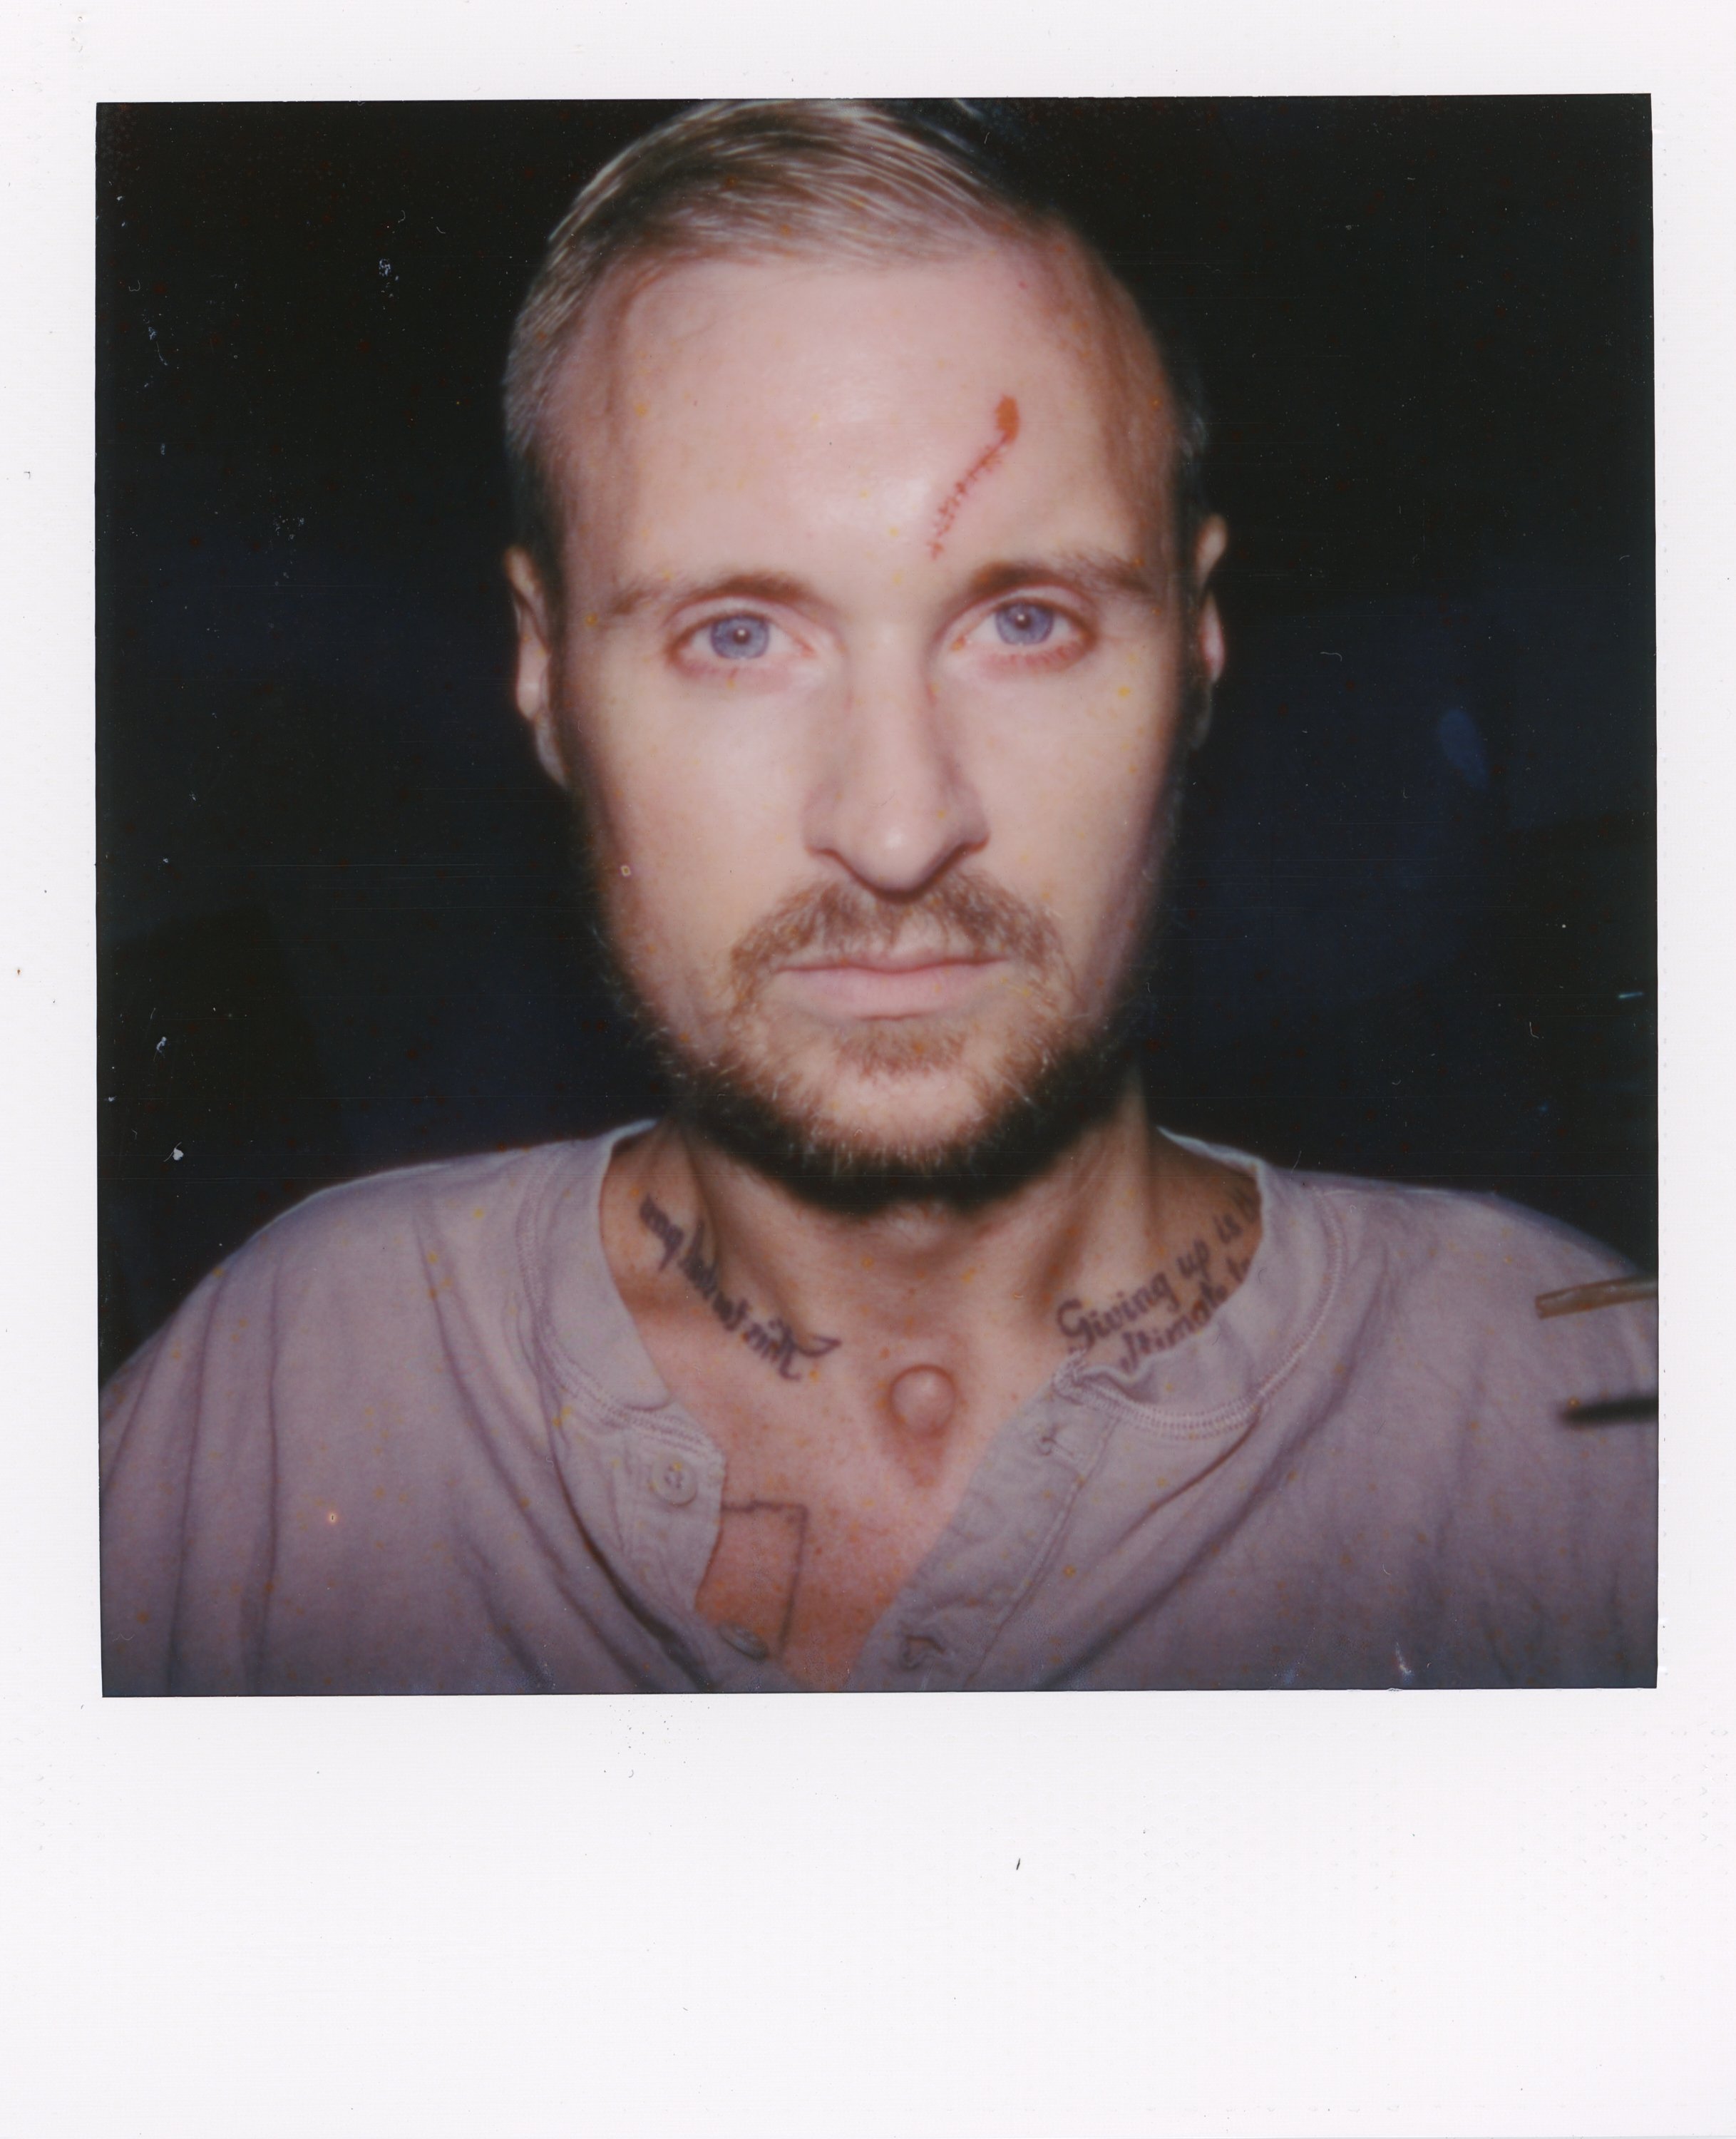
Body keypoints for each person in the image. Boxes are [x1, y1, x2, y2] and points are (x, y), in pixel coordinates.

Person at [100, 101, 1655, 1695]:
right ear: (543, 673)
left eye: (1029, 623)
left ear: (1196, 646)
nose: (902, 829)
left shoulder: (1585, 1428)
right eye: (737, 637)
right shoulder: (279, 1402)